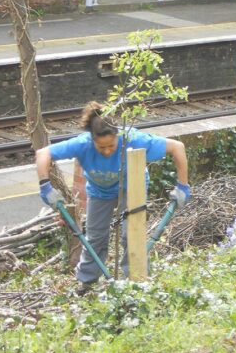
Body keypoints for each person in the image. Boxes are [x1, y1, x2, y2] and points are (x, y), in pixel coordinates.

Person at [36, 101, 191, 293]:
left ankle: (137, 282)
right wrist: (45, 186)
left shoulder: (133, 139)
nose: (108, 151)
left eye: (111, 145)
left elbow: (178, 147)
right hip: (100, 190)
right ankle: (87, 282)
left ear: (118, 136)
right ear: (92, 140)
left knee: (131, 235)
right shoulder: (82, 145)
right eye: (102, 148)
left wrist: (183, 185)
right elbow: (43, 154)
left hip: (132, 185)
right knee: (95, 237)